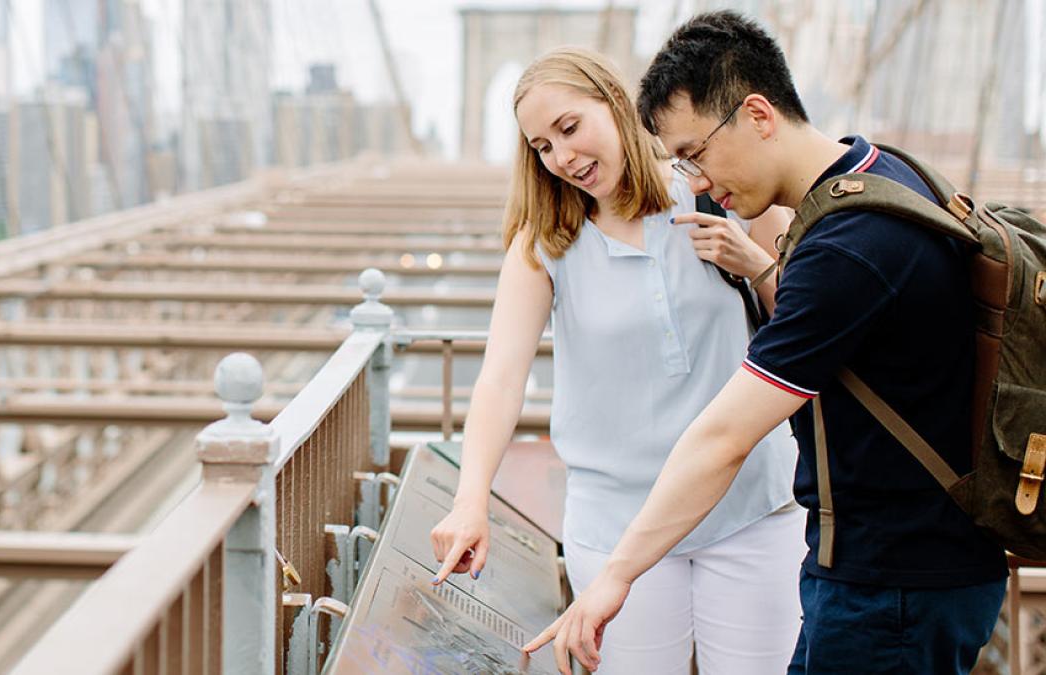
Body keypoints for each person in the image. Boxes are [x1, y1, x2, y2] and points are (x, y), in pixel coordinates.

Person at [523, 12, 1009, 675]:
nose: (693, 182)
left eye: (695, 153)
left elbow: (724, 436)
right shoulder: (883, 173)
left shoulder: (848, 248)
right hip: (902, 568)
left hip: (893, 584)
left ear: (757, 114)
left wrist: (615, 576)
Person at [429, 46, 803, 674]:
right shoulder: (544, 243)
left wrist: (755, 263)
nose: (562, 157)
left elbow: (805, 325)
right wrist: (471, 500)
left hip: (752, 510)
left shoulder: (718, 193)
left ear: (616, 104)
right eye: (542, 146)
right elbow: (499, 381)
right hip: (614, 524)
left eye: (570, 128)